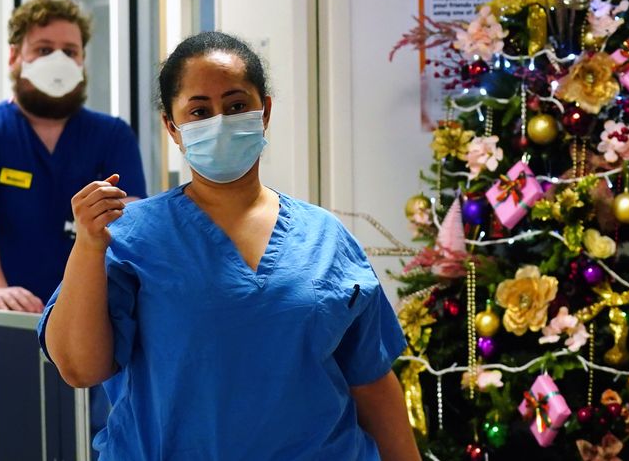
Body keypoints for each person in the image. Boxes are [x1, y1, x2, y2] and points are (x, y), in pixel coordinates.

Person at [39, 31, 421, 460]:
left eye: (237, 105)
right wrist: (89, 246)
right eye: (199, 111)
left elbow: (370, 379)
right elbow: (78, 367)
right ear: (174, 127)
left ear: (265, 111)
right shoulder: (128, 237)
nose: (220, 121)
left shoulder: (324, 237)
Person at [0, 0, 147, 445]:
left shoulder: (110, 135)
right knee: (21, 445)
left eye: (69, 51)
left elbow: (132, 223)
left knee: (99, 447)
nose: (59, 60)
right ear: (16, 56)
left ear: (84, 60)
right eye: (43, 48)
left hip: (96, 329)